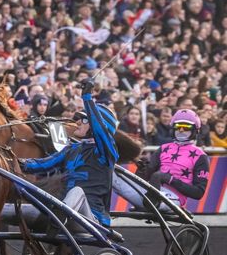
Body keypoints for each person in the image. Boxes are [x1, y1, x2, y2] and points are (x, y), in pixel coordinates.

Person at [16, 79, 119, 229]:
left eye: (84, 120)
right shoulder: (72, 149)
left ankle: (58, 218)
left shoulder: (106, 152)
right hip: (64, 209)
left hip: (92, 218)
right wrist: (9, 161)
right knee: (11, 206)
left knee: (77, 191)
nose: (77, 123)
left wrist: (87, 98)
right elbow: (40, 164)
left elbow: (101, 131)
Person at [114, 109, 209, 211]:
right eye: (178, 126)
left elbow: (198, 193)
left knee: (157, 178)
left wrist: (170, 179)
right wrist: (141, 171)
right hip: (149, 193)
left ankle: (150, 203)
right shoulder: (163, 148)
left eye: (186, 127)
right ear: (173, 128)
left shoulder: (201, 156)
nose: (181, 130)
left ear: (196, 130)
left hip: (173, 198)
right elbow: (142, 179)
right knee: (111, 174)